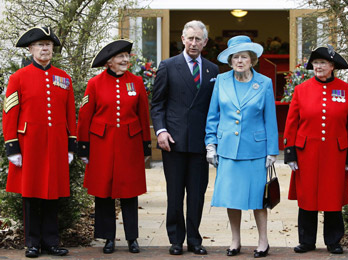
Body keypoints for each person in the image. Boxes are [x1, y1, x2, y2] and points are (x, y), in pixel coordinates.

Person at [2, 27, 76, 258]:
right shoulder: (18, 77)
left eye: (49, 45)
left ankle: (51, 242)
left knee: (52, 193)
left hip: (55, 145)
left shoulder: (63, 78)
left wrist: (71, 145)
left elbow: (69, 114)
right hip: (29, 145)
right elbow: (10, 113)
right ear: (30, 48)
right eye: (40, 45)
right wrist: (12, 146)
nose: (45, 48)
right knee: (31, 194)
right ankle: (33, 243)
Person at [205, 35, 279, 258]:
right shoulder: (221, 81)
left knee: (258, 198)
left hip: (255, 150)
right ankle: (235, 241)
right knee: (232, 197)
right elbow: (213, 116)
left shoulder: (264, 83)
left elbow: (270, 119)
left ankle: (263, 242)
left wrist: (272, 150)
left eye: (244, 57)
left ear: (252, 59)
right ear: (230, 60)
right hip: (227, 149)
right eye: (235, 57)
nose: (239, 60)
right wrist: (211, 144)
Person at [151, 20, 219, 255]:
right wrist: (160, 131)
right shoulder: (168, 66)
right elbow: (157, 103)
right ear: (182, 39)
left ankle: (195, 239)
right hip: (174, 142)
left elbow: (216, 107)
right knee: (175, 193)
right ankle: (176, 239)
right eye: (189, 38)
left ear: (205, 42)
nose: (193, 43)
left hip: (200, 142)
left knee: (197, 194)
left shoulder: (213, 70)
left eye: (198, 39)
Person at [77, 39, 151, 254]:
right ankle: (108, 238)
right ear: (109, 61)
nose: (125, 60)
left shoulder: (136, 82)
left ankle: (132, 238)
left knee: (129, 192)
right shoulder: (95, 83)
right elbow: (85, 116)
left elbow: (143, 114)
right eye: (120, 57)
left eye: (127, 56)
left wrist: (146, 146)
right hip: (102, 145)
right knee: (104, 193)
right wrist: (84, 147)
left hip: (130, 144)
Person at [283, 45, 348, 254]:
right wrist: (290, 152)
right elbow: (292, 123)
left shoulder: (346, 90)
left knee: (333, 198)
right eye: (315, 63)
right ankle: (307, 241)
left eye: (323, 63)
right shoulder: (301, 89)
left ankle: (334, 241)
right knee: (307, 198)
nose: (318, 67)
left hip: (336, 152)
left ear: (332, 66)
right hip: (307, 152)